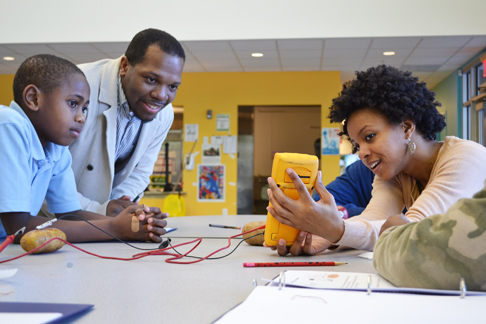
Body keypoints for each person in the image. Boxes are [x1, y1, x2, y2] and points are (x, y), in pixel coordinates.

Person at [266, 65, 486, 256]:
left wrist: (336, 231)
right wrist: (322, 236)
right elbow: (373, 221)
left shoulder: (466, 158)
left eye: (369, 136)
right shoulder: (395, 172)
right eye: (357, 144)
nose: (362, 152)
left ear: (406, 127)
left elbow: (411, 231)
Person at [0, 54, 166, 243]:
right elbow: (19, 227)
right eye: (73, 104)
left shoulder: (55, 146)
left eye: (84, 108)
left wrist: (132, 223)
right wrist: (114, 228)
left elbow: (70, 213)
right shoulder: (8, 125)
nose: (81, 118)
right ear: (33, 98)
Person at [41, 28, 185, 218]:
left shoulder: (164, 113)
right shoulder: (75, 86)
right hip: (44, 219)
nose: (161, 95)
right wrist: (101, 211)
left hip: (99, 225)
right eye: (151, 79)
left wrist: (120, 208)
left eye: (172, 86)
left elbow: (140, 172)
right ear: (125, 65)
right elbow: (42, 173)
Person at [373, 180, 486, 291]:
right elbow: (374, 215)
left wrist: (392, 237)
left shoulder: (462, 164)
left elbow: (449, 244)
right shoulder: (388, 178)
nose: (363, 159)